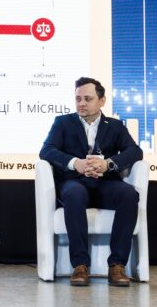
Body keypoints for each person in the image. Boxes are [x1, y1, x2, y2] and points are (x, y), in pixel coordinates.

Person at [39, 77, 143, 286]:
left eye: (87, 99)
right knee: (73, 194)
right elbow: (47, 151)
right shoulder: (63, 123)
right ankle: (80, 265)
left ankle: (117, 266)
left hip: (105, 184)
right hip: (75, 182)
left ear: (101, 101)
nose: (81, 104)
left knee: (129, 194)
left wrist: (109, 164)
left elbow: (135, 151)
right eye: (78, 99)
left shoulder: (115, 126)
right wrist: (74, 162)